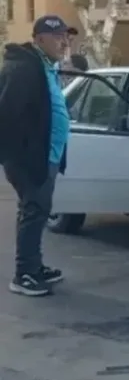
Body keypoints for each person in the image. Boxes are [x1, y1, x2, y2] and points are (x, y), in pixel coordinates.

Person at [0, 15, 74, 296]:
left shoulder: (45, 66)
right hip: (30, 158)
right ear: (39, 39)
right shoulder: (24, 69)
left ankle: (34, 265)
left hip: (46, 155)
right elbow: (7, 115)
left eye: (66, 37)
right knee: (34, 211)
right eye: (57, 37)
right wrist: (22, 155)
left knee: (36, 211)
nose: (63, 42)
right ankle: (24, 275)